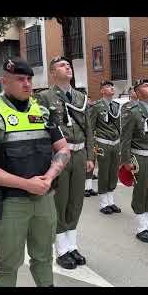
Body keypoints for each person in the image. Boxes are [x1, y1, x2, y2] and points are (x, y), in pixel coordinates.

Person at [0, 58, 70, 287]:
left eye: (29, 79)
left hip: (44, 199)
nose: (26, 84)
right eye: (20, 79)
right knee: (9, 264)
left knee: (44, 258)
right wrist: (26, 184)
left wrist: (50, 176)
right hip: (9, 203)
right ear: (5, 82)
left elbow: (63, 149)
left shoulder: (42, 112)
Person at [36, 56, 95, 270]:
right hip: (59, 156)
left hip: (79, 155)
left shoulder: (80, 97)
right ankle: (61, 249)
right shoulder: (43, 97)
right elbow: (42, 131)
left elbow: (89, 128)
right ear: (52, 73)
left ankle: (72, 245)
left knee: (76, 201)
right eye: (62, 65)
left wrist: (90, 156)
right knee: (59, 202)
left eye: (68, 65)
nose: (67, 67)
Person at [120, 79, 148, 243]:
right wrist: (126, 160)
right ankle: (141, 227)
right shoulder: (132, 111)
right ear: (137, 93)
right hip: (140, 156)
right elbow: (125, 137)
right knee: (141, 191)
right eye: (145, 86)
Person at [90, 80, 122, 215]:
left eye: (112, 86)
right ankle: (103, 202)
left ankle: (111, 201)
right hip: (103, 143)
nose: (111, 88)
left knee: (114, 173)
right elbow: (90, 128)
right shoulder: (97, 106)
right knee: (104, 173)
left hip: (116, 143)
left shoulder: (116, 106)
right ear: (102, 91)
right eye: (108, 87)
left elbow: (120, 126)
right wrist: (92, 147)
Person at [84, 98, 98, 198]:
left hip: (90, 138)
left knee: (91, 161)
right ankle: (83, 188)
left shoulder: (91, 109)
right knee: (84, 164)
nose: (89, 101)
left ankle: (88, 187)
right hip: (82, 139)